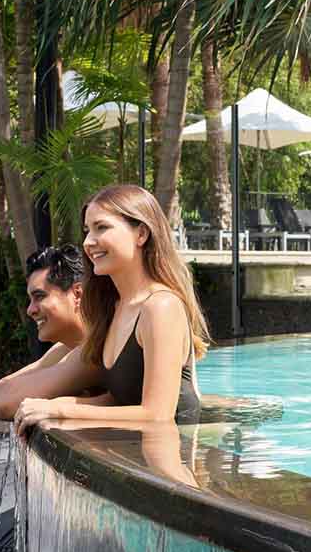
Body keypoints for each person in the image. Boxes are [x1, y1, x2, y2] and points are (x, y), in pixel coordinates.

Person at [14, 184, 209, 430]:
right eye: (87, 230)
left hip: (167, 463)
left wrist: (59, 410)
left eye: (101, 227)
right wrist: (49, 405)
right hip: (131, 458)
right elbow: (118, 400)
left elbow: (158, 414)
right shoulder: (115, 308)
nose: (88, 242)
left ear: (141, 234)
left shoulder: (161, 306)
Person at [0, 244, 103, 420]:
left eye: (40, 296)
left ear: (77, 294)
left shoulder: (99, 346)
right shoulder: (65, 349)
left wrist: (61, 405)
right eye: (30, 299)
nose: (30, 310)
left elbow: (5, 403)